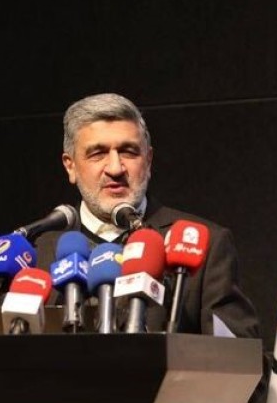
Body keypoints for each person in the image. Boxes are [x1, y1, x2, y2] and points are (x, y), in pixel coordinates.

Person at [35, 92, 262, 338]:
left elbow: (240, 356)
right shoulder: (38, 255)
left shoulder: (205, 244)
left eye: (129, 152)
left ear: (149, 160)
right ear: (70, 166)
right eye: (98, 154)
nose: (115, 168)